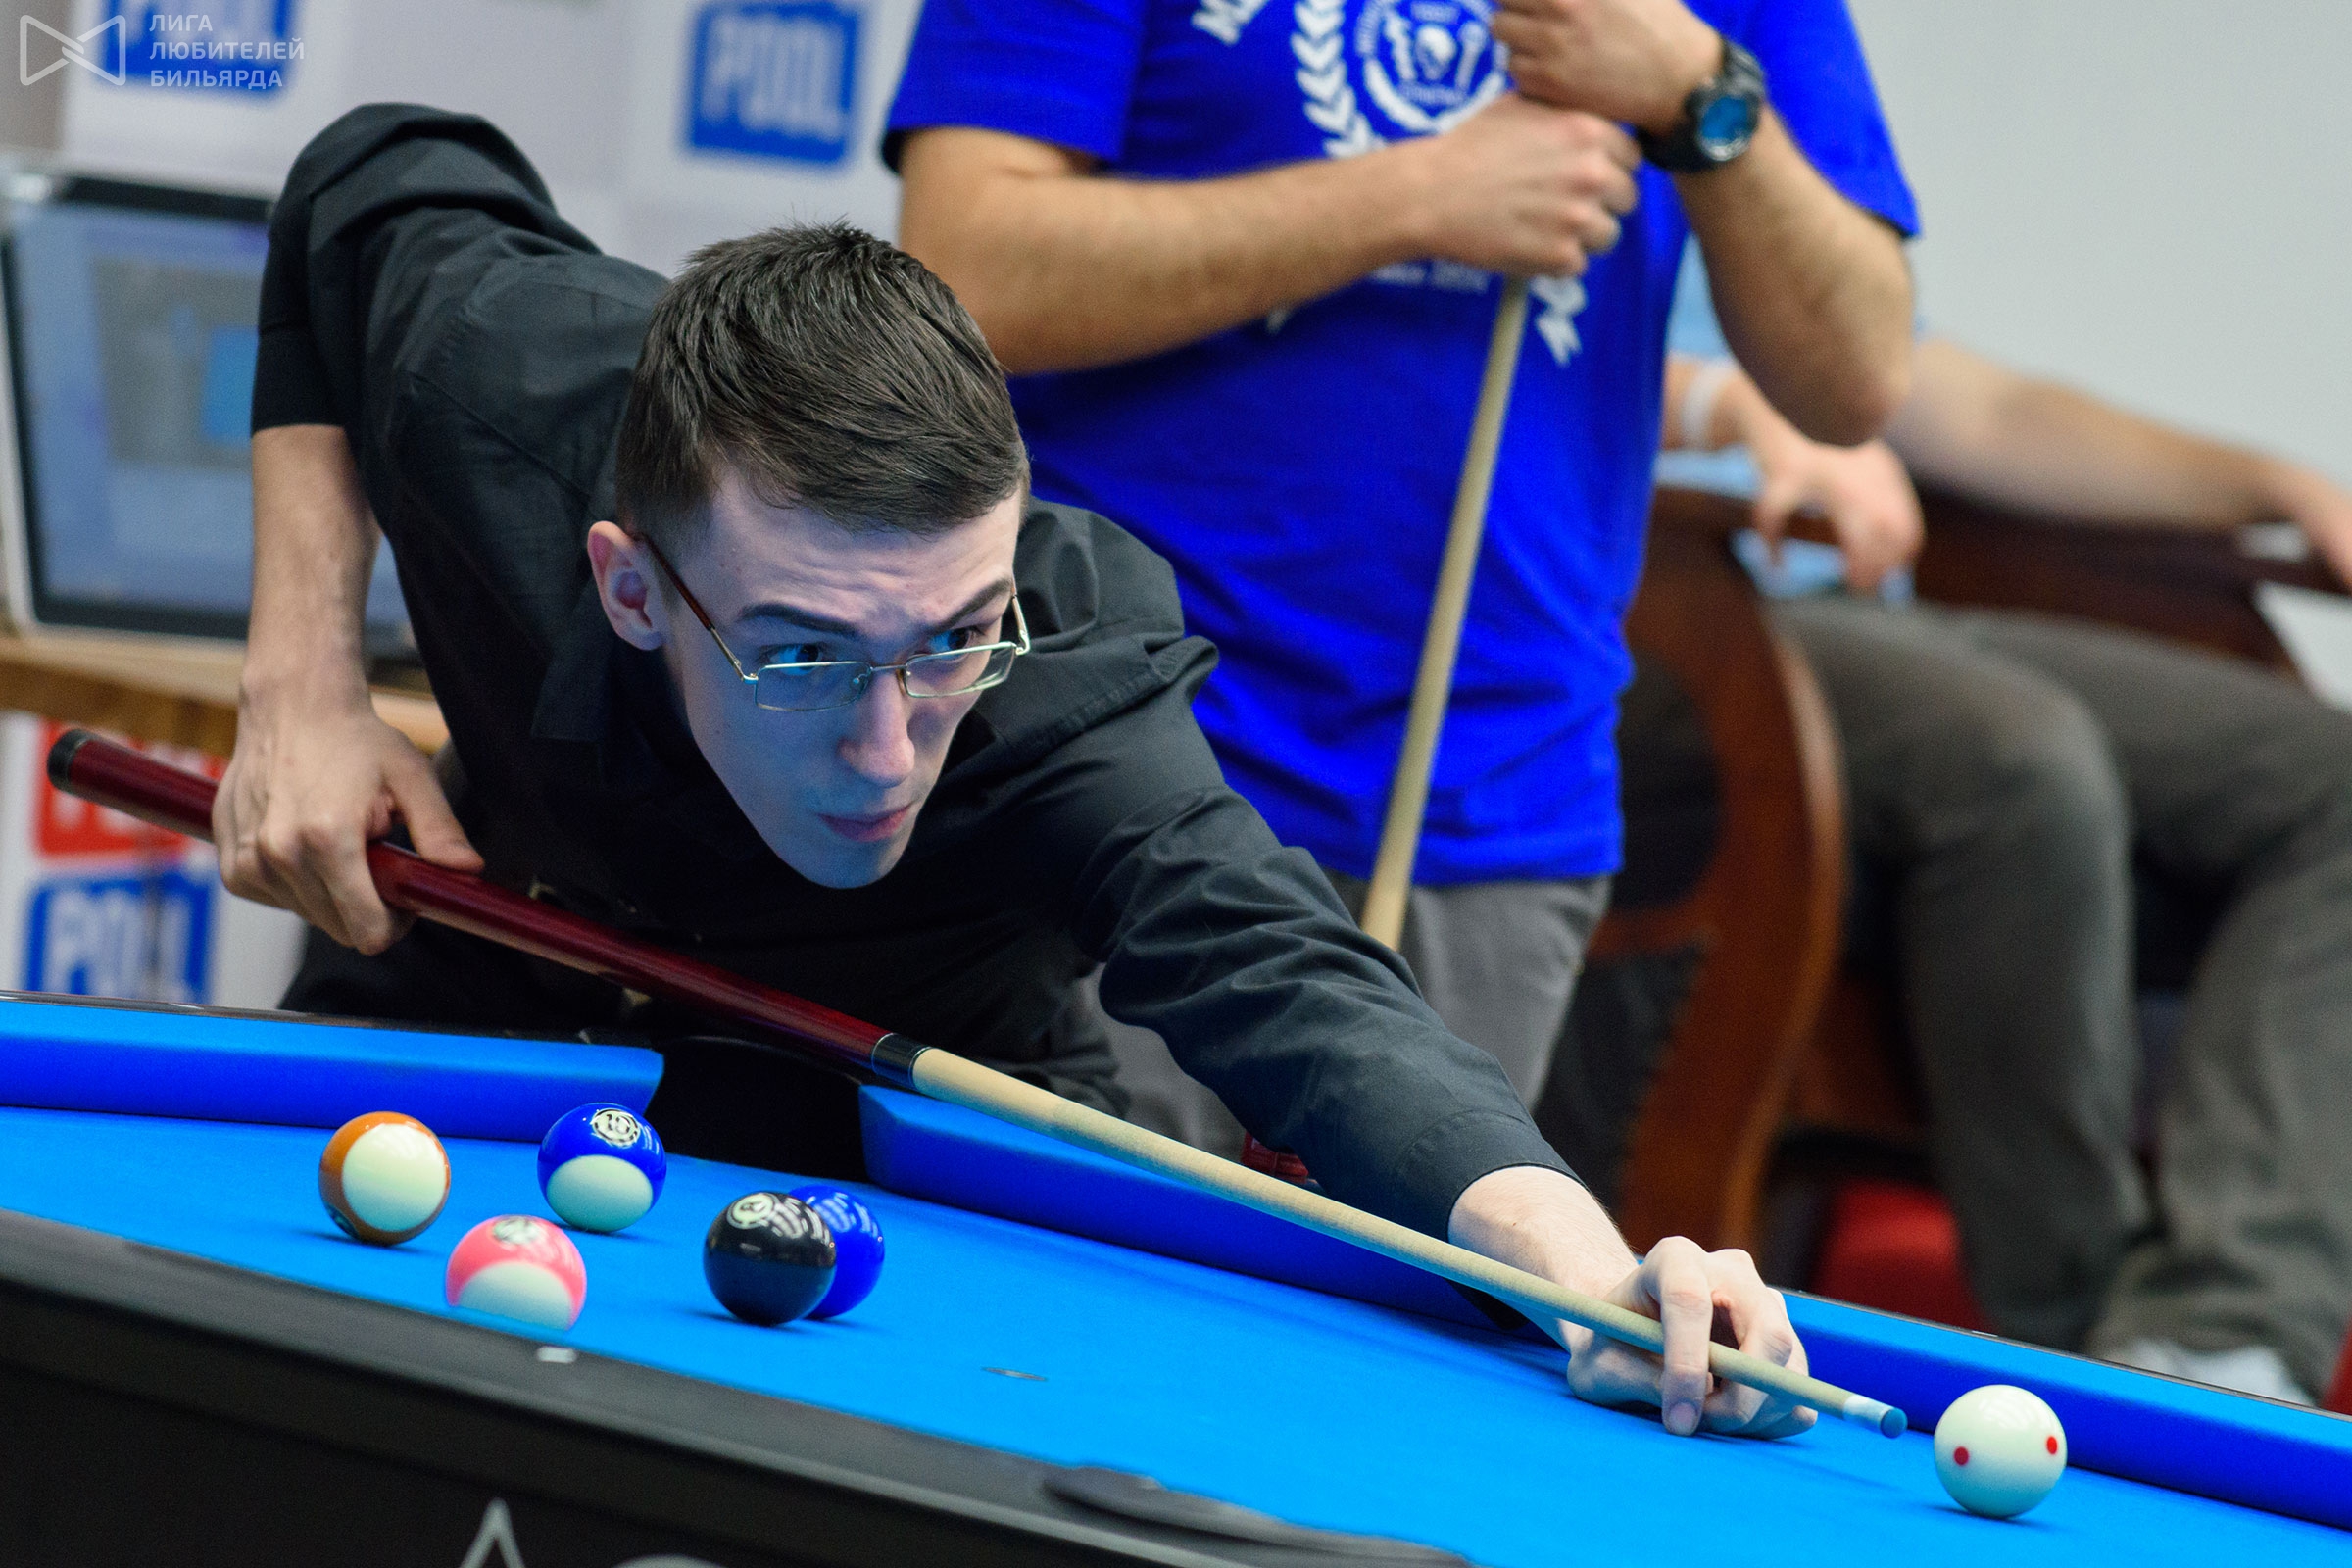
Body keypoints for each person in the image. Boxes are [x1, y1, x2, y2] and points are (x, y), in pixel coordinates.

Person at [223, 103, 1810, 1439]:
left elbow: (1297, 986)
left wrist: (1585, 1271)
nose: (885, 749)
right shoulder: (506, 390)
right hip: (476, 994)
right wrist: (301, 679)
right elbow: (368, 172)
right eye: (801, 655)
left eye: (952, 639)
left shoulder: (1065, 696)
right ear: (633, 588)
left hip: (911, 1140)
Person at [884, 0, 1917, 1113]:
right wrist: (1419, 196)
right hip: (1118, 760)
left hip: (1488, 801)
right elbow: (961, 273)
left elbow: (1854, 377)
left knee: (1409, 1235)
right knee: (1062, 1225)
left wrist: (1697, 91)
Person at [1660, 319, 2352, 1404]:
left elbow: (1985, 413)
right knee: (2023, 760)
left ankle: (2220, 1342)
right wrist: (1721, 407)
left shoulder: (1787, 220)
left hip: (1882, 616)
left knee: (2333, 784)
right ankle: (2083, 1346)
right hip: (1670, 612)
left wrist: (2276, 484)